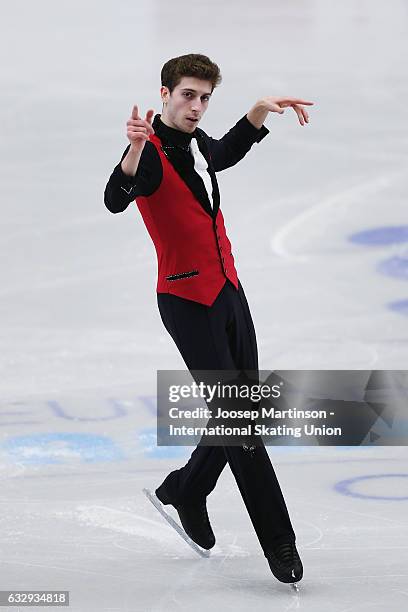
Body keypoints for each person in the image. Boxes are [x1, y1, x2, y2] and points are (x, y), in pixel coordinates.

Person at [104, 53, 313, 584]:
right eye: (188, 96)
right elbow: (115, 198)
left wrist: (257, 116)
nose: (196, 107)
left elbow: (221, 153)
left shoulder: (197, 144)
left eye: (204, 98)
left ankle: (187, 488)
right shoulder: (148, 153)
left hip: (228, 293)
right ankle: (281, 545)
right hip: (187, 301)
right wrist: (130, 154)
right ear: (165, 94)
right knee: (242, 422)